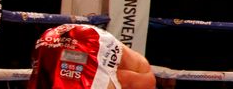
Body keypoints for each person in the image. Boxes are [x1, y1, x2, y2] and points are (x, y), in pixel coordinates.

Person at [27, 24, 155, 89]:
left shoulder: (135, 69)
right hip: (86, 43)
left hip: (51, 38)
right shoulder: (146, 80)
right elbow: (122, 80)